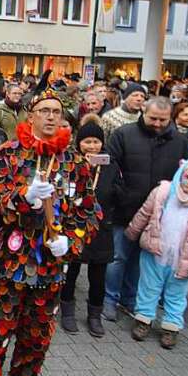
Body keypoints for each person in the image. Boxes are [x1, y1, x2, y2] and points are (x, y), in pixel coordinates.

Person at [0, 91, 98, 376]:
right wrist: (22, 196)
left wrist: (70, 241)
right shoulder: (10, 153)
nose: (50, 116)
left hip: (51, 266)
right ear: (31, 115)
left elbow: (89, 213)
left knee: (36, 331)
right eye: (43, 110)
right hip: (11, 262)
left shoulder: (75, 162)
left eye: (56, 111)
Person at [104, 97, 188, 322]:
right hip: (125, 209)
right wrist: (119, 194)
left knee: (141, 261)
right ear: (143, 112)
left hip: (159, 215)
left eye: (163, 119)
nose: (158, 124)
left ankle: (129, 299)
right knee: (117, 257)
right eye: (153, 118)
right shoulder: (124, 134)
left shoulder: (180, 141)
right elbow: (110, 167)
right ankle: (109, 299)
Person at [126, 156, 188, 349]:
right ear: (180, 175)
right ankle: (143, 320)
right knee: (148, 287)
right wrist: (132, 232)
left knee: (176, 293)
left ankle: (171, 327)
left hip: (183, 258)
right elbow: (145, 213)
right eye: (187, 177)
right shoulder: (163, 192)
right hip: (156, 250)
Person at [61, 116, 117, 337]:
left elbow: (118, 192)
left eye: (96, 142)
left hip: (102, 229)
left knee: (98, 276)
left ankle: (94, 316)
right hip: (76, 227)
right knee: (71, 271)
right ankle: (67, 312)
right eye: (87, 142)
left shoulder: (111, 166)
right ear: (79, 143)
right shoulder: (72, 163)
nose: (92, 146)